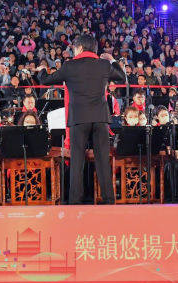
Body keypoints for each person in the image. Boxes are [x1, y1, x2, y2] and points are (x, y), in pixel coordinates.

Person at [38, 33, 125, 204]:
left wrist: (41, 69)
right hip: (100, 118)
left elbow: (46, 80)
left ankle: (75, 203)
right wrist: (112, 59)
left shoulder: (70, 66)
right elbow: (122, 77)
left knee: (77, 163)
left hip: (79, 119)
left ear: (79, 48)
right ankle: (109, 201)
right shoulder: (103, 64)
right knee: (102, 163)